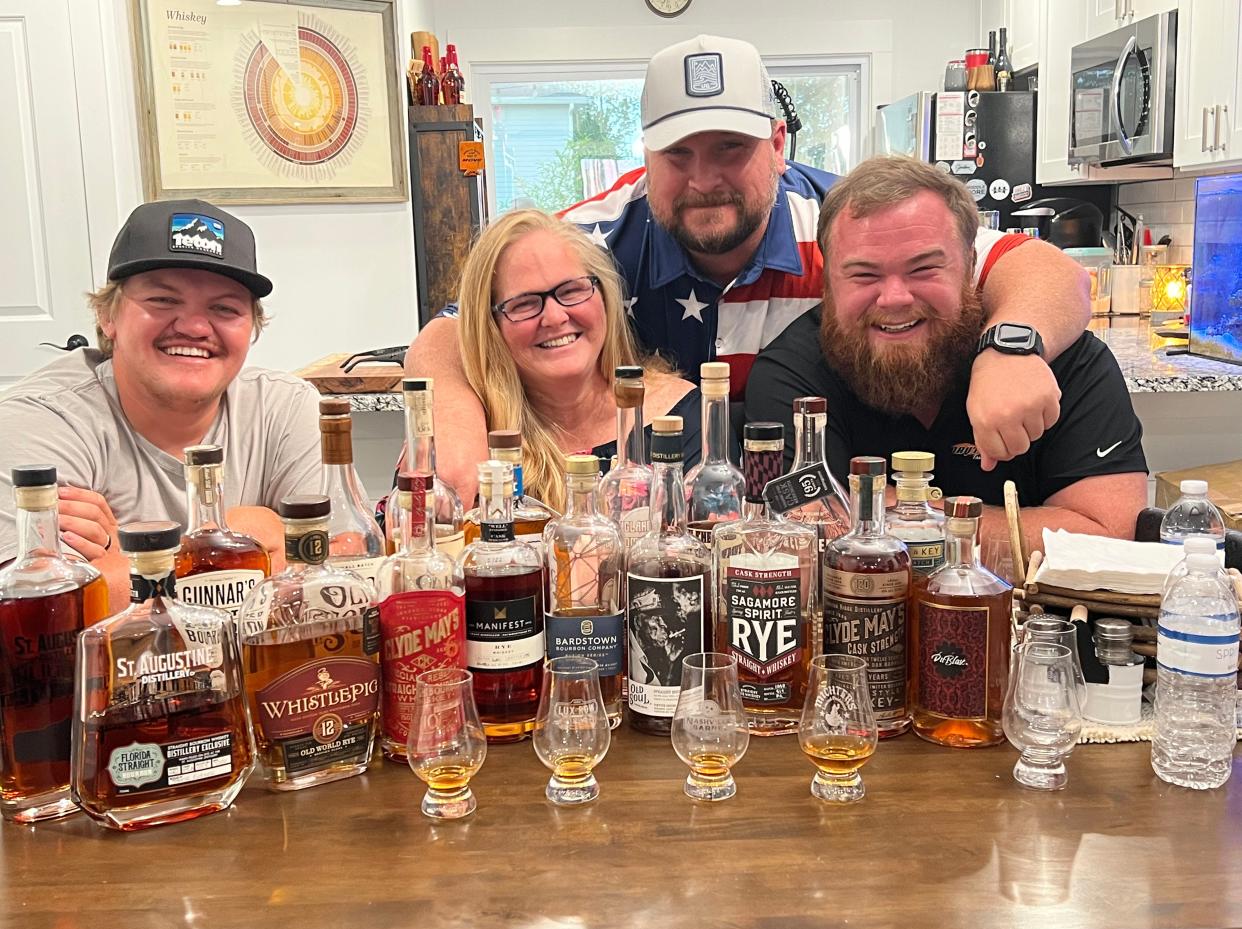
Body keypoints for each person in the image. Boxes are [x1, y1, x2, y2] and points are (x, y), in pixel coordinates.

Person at [407, 34, 1092, 505]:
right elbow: (455, 328)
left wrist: (1014, 344)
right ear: (646, 157)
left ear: (776, 143)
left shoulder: (850, 226)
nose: (704, 180)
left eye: (730, 147)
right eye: (678, 155)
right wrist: (455, 434)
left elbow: (1041, 267)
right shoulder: (598, 237)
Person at [744, 156, 1148, 555]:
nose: (895, 298)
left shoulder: (1063, 362)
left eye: (923, 269)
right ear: (828, 280)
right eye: (864, 274)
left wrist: (881, 515)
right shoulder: (791, 377)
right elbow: (815, 526)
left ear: (971, 264)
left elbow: (1110, 537)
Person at [0, 199, 322, 608]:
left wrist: (128, 557)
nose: (193, 327)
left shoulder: (286, 406)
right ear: (107, 316)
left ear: (252, 326)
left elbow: (342, 566)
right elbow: (41, 611)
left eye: (224, 308)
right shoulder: (38, 420)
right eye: (162, 301)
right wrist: (250, 535)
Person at [452, 209, 698, 511]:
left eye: (572, 290)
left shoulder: (683, 420)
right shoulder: (465, 439)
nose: (555, 317)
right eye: (525, 304)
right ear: (490, 326)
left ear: (604, 295)